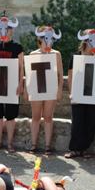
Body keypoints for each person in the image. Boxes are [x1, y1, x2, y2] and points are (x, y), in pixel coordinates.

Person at [65, 29, 95, 159]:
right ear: (85, 42)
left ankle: (85, 149)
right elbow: (70, 76)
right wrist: (71, 93)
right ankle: (75, 149)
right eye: (90, 40)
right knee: (77, 122)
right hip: (79, 94)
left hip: (94, 95)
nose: (93, 43)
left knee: (91, 122)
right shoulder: (76, 57)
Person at [0, 12, 24, 152]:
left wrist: (20, 83)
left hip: (12, 85)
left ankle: (9, 144)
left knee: (10, 115)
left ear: (11, 30)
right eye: (2, 28)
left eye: (7, 28)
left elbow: (22, 67)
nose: (4, 31)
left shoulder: (17, 47)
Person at [27, 26, 63, 154]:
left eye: (51, 38)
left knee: (48, 117)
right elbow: (30, 76)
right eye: (45, 37)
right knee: (35, 116)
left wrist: (59, 91)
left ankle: (48, 146)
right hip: (37, 89)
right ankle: (33, 144)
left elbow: (60, 74)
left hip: (50, 89)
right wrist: (28, 90)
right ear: (40, 38)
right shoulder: (33, 54)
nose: (48, 40)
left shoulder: (56, 54)